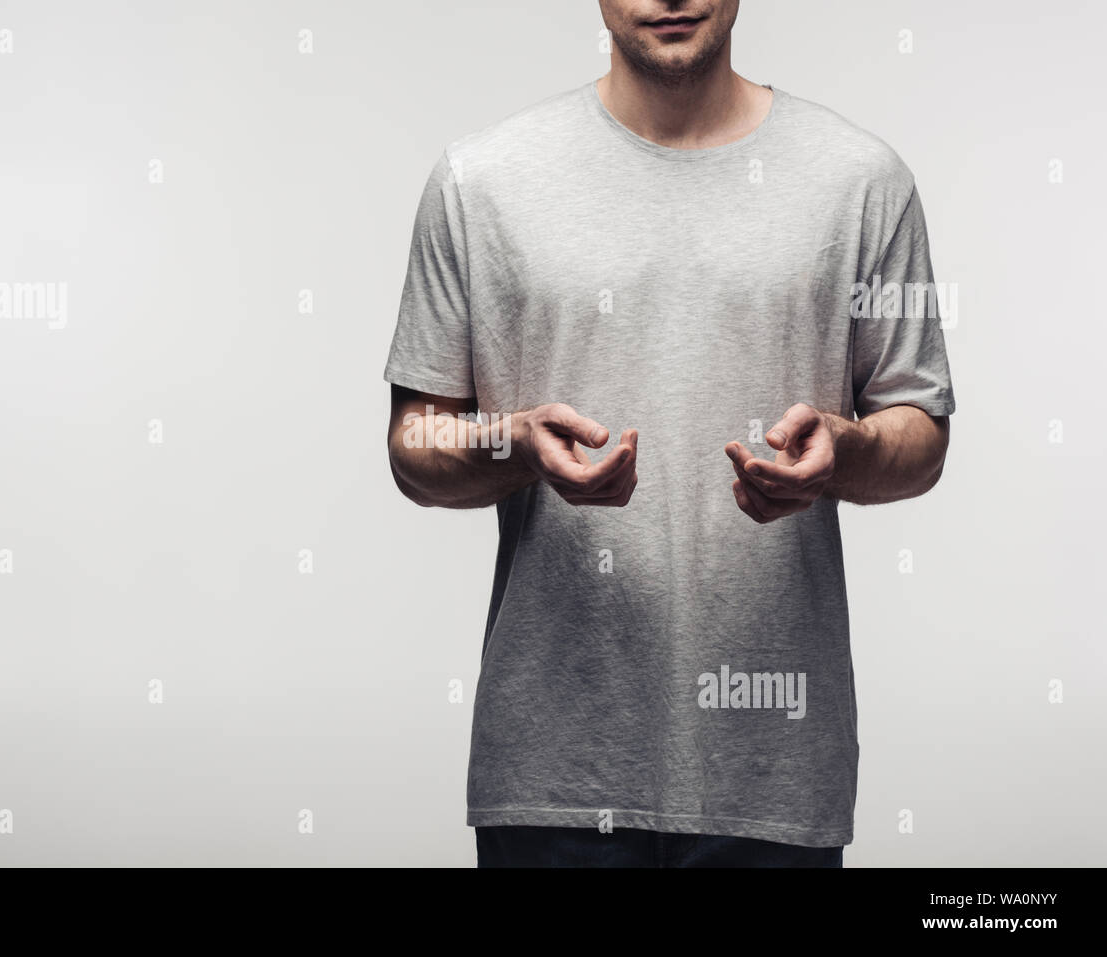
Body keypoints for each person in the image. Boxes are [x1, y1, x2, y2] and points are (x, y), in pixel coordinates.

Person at [383, 0, 955, 868]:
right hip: (554, 773)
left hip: (773, 774)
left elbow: (920, 428)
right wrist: (515, 440)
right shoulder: (481, 180)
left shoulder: (860, 180)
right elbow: (415, 444)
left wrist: (850, 446)